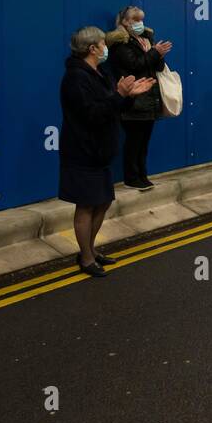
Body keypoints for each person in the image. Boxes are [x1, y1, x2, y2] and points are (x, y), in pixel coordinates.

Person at [59, 26, 153, 277]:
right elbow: (92, 114)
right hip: (83, 151)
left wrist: (128, 95)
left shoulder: (99, 73)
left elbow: (112, 107)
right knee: (86, 205)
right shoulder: (75, 78)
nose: (105, 48)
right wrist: (119, 94)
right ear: (92, 48)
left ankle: (90, 249)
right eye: (103, 44)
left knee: (102, 201)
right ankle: (86, 258)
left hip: (100, 150)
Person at [105, 5, 172, 191]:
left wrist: (158, 54)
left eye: (141, 19)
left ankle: (142, 174)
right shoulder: (120, 44)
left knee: (144, 141)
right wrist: (154, 52)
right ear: (125, 22)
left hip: (150, 98)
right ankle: (131, 177)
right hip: (133, 99)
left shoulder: (146, 39)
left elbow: (158, 67)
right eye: (135, 20)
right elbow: (134, 64)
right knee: (134, 141)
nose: (140, 23)